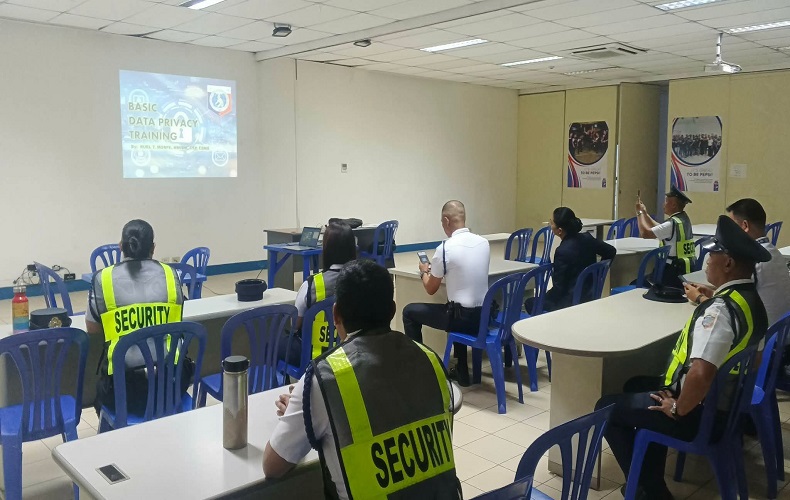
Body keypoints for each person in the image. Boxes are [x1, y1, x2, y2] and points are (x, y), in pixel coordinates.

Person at [595, 215, 770, 499]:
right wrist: (712, 296)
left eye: (713, 253)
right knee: (635, 385)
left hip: (702, 417)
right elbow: (755, 359)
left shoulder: (719, 312)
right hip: (728, 410)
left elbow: (701, 374)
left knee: (605, 407)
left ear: (728, 263)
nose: (707, 259)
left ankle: (650, 491)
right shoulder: (751, 301)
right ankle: (649, 476)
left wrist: (677, 408)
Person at [263, 260, 460, 500]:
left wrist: (302, 414)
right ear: (392, 311)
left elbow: (272, 467)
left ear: (336, 314)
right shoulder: (431, 360)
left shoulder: (323, 379)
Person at [86, 220, 186, 416]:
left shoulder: (103, 279)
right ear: (153, 248)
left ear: (121, 246)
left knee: (98, 395)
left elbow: (93, 329)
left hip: (124, 391)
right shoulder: (171, 274)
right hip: (171, 386)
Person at [402, 200, 489, 387]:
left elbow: (431, 288)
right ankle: (462, 370)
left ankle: (418, 367)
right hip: (483, 317)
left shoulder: (445, 248)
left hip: (461, 318)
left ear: (446, 220)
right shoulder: (484, 243)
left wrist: (424, 271)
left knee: (409, 312)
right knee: (456, 304)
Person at [684, 198, 790, 326]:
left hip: (760, 332)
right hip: (779, 331)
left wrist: (699, 298)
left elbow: (732, 313)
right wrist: (713, 292)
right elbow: (743, 296)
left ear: (745, 226)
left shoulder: (752, 261)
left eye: (732, 226)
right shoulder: (773, 252)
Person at [279, 221, 357, 365]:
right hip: (352, 353)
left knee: (274, 344)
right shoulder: (361, 280)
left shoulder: (311, 285)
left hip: (314, 357)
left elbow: (295, 325)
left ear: (326, 249)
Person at [538, 207, 616, 312]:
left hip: (569, 303)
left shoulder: (562, 251)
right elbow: (611, 251)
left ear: (559, 230)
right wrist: (599, 274)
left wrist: (543, 298)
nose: (550, 225)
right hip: (590, 295)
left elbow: (558, 288)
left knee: (530, 303)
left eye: (551, 223)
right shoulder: (588, 238)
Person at [636, 186, 695, 287]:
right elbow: (660, 228)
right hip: (685, 269)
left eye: (666, 201)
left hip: (671, 272)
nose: (664, 204)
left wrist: (639, 213)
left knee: (636, 282)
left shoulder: (672, 224)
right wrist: (645, 214)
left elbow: (645, 233)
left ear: (673, 205)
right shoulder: (682, 219)